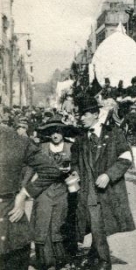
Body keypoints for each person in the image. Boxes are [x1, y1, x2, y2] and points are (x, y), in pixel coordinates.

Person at [72, 95, 135, 270]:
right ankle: (99, 259)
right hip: (88, 189)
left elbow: (126, 157)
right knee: (95, 224)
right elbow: (75, 162)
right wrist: (75, 174)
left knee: (99, 225)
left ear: (94, 114)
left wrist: (108, 175)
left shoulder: (113, 134)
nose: (81, 118)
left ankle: (103, 262)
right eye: (80, 115)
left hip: (109, 190)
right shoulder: (80, 138)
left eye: (84, 115)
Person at [0, 124, 62, 270]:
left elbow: (50, 170)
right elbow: (51, 169)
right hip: (10, 219)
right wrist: (24, 194)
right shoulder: (17, 138)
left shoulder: (15, 139)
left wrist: (23, 194)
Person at [29, 115, 80, 270]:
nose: (55, 135)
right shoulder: (41, 147)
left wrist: (74, 173)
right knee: (43, 220)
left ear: (63, 132)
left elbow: (78, 166)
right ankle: (47, 261)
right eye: (52, 132)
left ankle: (62, 260)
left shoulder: (72, 147)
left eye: (58, 131)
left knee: (59, 222)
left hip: (64, 188)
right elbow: (31, 167)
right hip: (45, 187)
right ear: (48, 134)